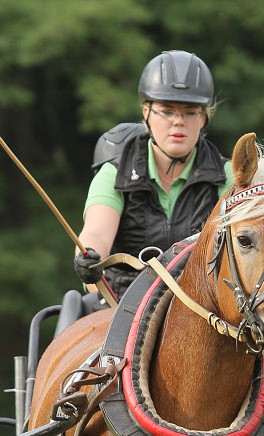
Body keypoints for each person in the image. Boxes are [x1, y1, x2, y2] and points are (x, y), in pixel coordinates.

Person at [74, 50, 233, 305]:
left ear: (203, 117)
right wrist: (90, 256)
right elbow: (96, 232)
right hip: (121, 307)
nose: (178, 122)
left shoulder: (230, 177)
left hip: (203, 311)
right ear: (146, 113)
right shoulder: (114, 173)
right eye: (167, 111)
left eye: (190, 112)